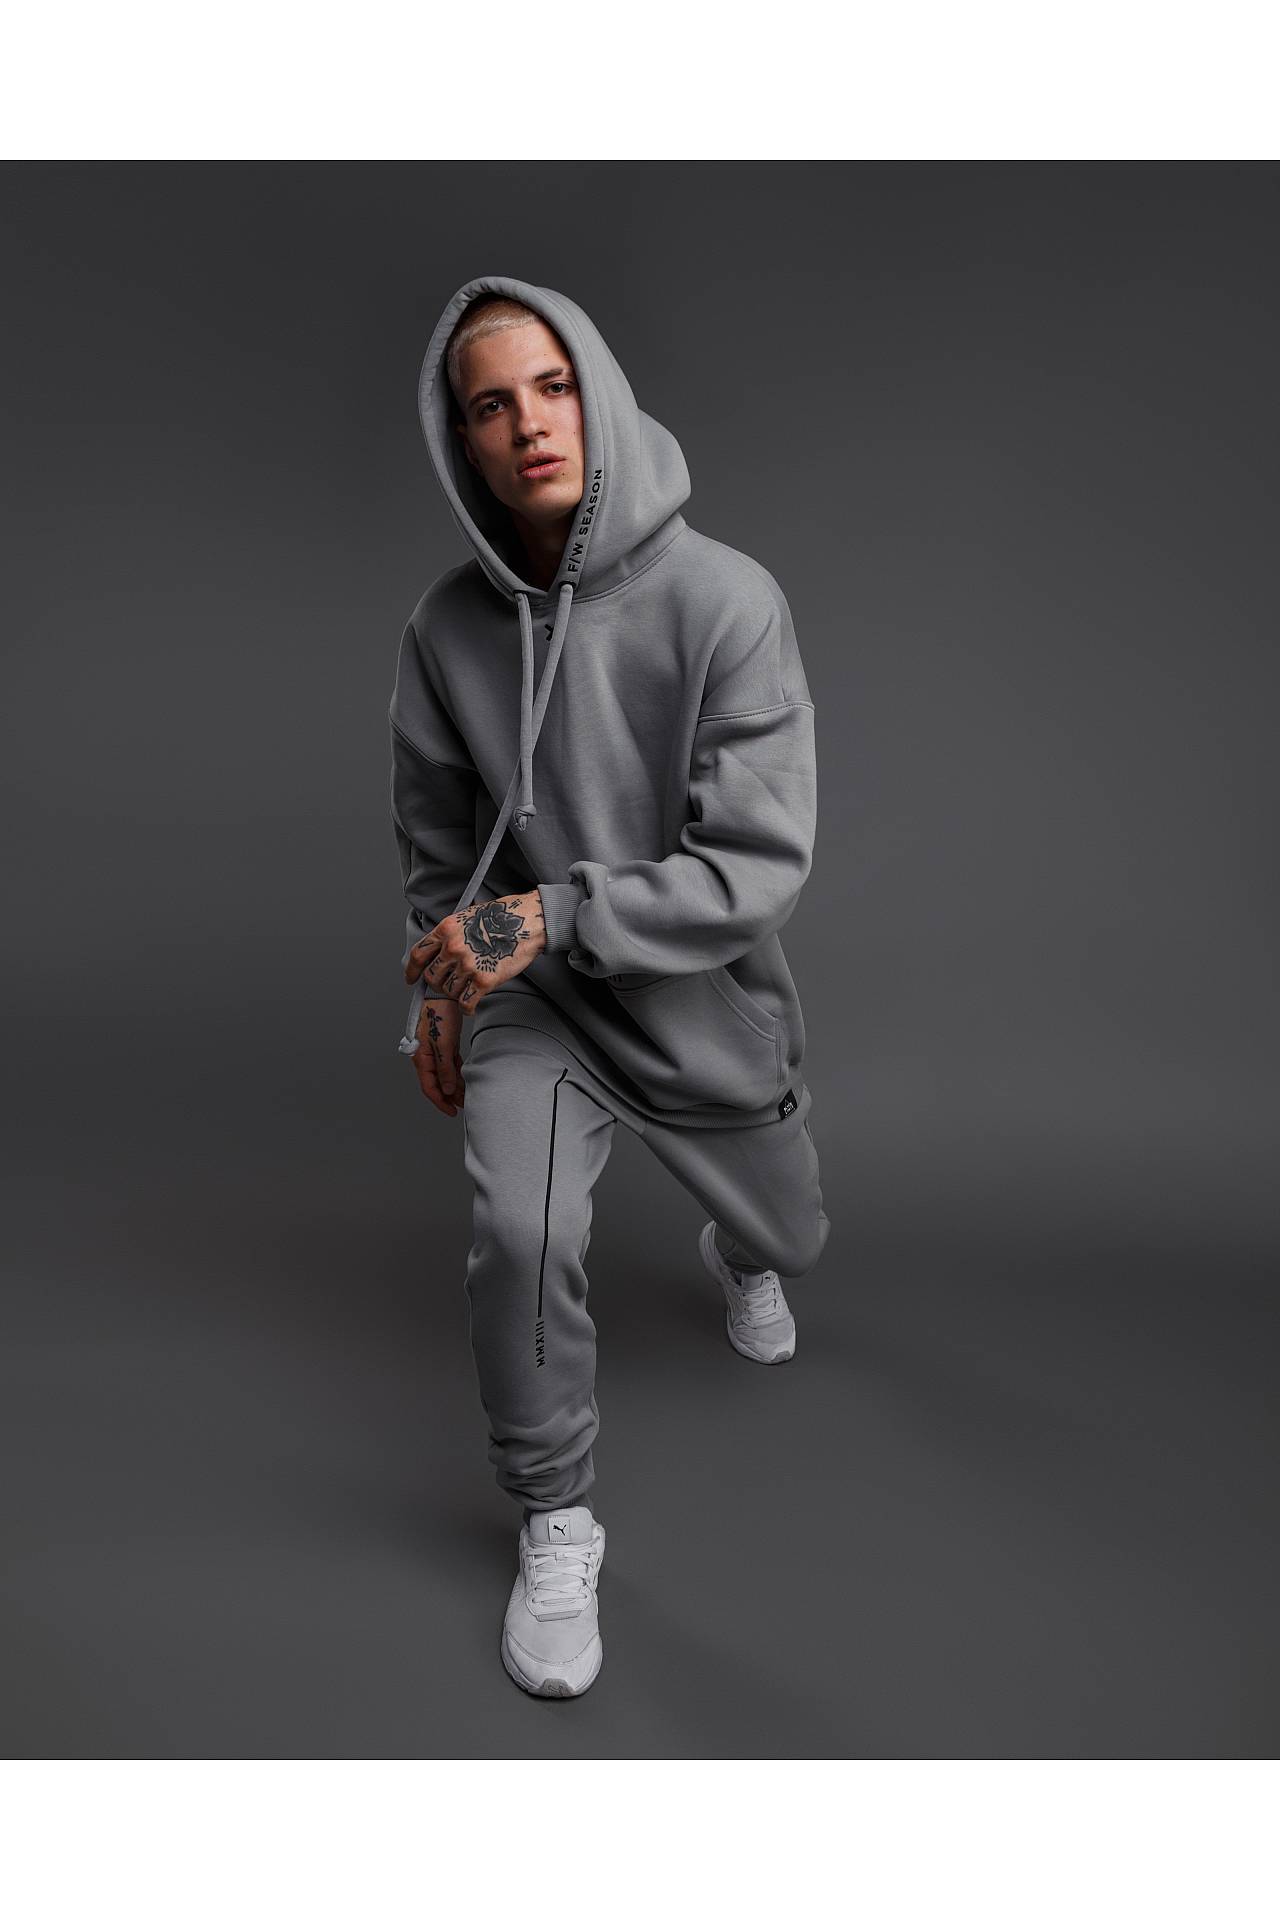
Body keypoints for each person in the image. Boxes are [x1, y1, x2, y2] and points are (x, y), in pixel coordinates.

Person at [388, 275, 831, 1699]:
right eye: (491, 404)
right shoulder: (445, 629)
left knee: (798, 1234)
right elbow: (440, 845)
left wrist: (560, 912)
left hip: (696, 992)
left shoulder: (728, 601)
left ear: (602, 393)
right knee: (518, 1230)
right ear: (462, 440)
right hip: (536, 1003)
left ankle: (742, 1250)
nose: (530, 424)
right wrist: (444, 983)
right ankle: (554, 1516)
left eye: (554, 385)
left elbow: (756, 865)